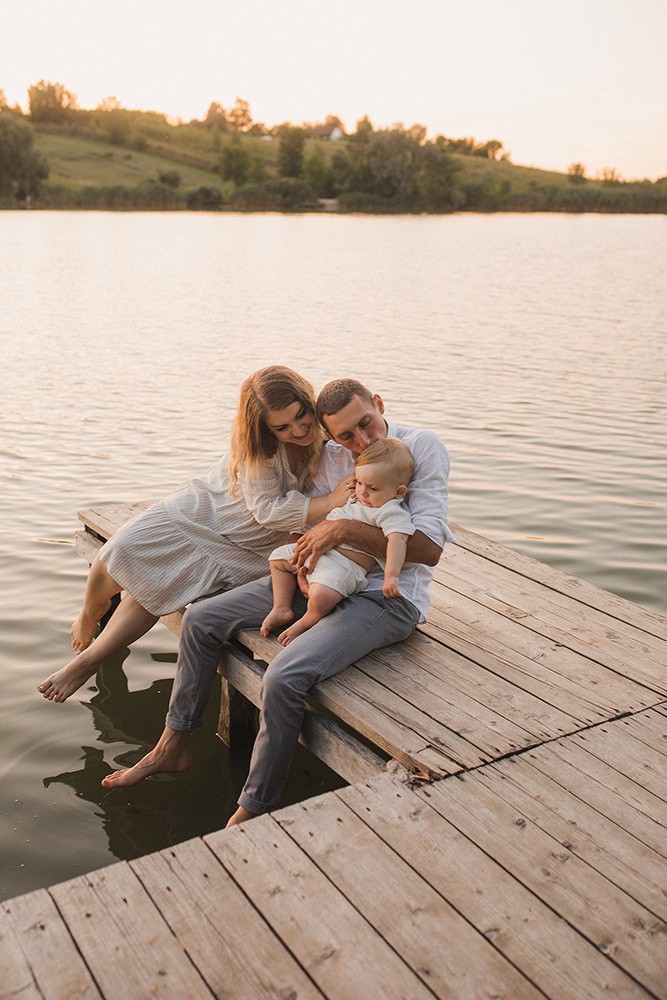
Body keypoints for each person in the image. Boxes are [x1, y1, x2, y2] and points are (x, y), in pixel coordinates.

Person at [99, 379, 454, 830]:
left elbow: (428, 549)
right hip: (320, 574)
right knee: (203, 619)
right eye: (345, 435)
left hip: (383, 596)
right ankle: (174, 743)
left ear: (379, 404)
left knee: (284, 675)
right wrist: (302, 561)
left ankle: (253, 809)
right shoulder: (327, 452)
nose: (360, 441)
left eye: (365, 424)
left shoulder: (421, 447)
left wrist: (341, 532)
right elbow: (302, 519)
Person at [37, 367, 354, 703]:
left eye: (301, 416)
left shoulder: (324, 429)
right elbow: (267, 510)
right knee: (122, 547)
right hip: (207, 511)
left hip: (249, 547)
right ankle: (89, 613)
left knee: (159, 588)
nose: (298, 429)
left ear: (308, 401)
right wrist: (330, 501)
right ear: (265, 428)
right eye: (283, 427)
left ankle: (88, 661)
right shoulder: (260, 448)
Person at [261, 437, 415, 645]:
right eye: (359, 483)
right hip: (320, 552)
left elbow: (398, 541)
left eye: (373, 488)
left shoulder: (389, 511)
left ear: (398, 492)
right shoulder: (355, 499)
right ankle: (281, 607)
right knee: (277, 558)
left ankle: (307, 621)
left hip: (343, 566)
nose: (362, 491)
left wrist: (391, 576)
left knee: (321, 595)